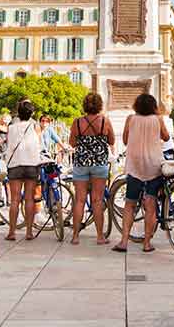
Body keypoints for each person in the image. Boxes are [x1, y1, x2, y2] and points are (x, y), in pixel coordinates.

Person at [113, 93, 170, 254]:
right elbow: (166, 137)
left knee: (130, 204)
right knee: (150, 205)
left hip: (135, 165)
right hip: (153, 165)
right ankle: (146, 243)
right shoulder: (157, 119)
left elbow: (124, 140)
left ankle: (124, 241)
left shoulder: (131, 119)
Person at [69, 92, 116, 245]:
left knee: (80, 200)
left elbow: (72, 143)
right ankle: (100, 237)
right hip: (99, 164)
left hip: (81, 163)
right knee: (97, 200)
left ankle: (75, 236)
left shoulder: (77, 122)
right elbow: (111, 140)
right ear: (99, 105)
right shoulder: (105, 121)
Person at [4, 100, 43, 241]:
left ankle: (12, 232)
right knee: (29, 199)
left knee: (14, 199)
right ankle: (29, 232)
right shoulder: (35, 127)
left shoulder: (12, 127)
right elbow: (38, 144)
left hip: (15, 164)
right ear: (31, 113)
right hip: (31, 164)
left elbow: (9, 144)